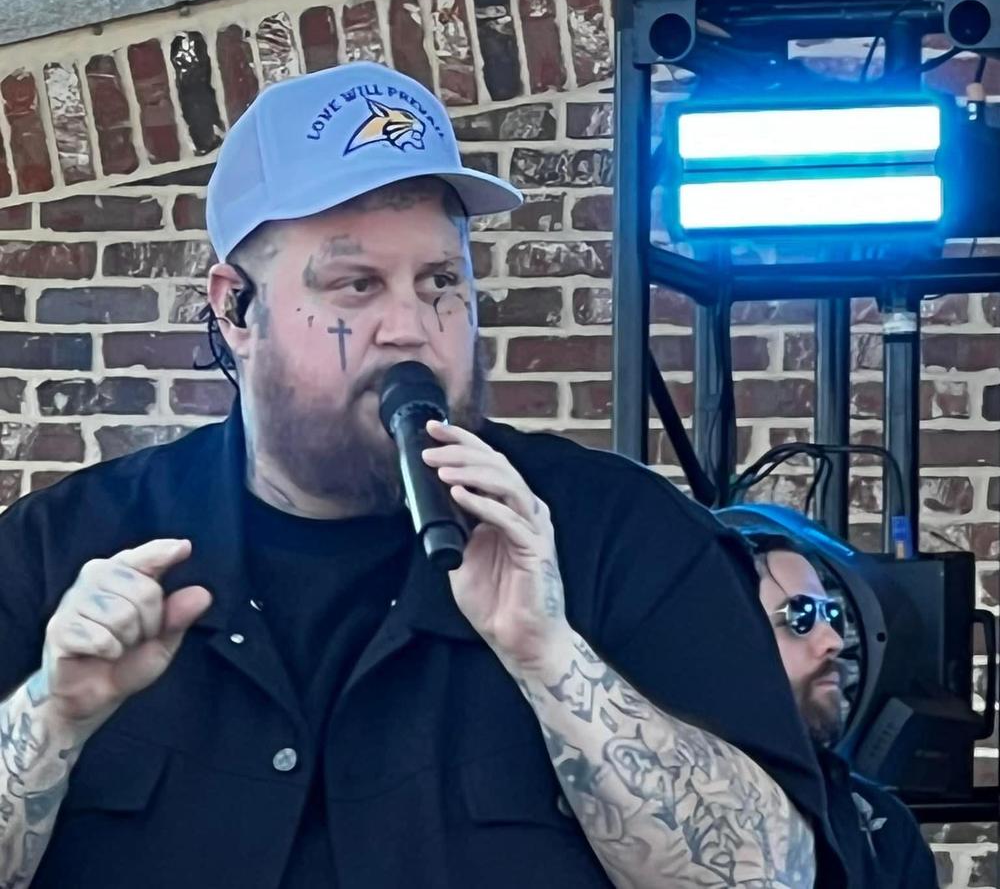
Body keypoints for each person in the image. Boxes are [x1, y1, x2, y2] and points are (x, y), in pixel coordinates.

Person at [0, 60, 846, 889]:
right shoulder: (64, 547)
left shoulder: (618, 531)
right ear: (236, 308)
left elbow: (769, 874)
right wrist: (52, 715)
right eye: (356, 285)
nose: (409, 326)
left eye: (440, 281)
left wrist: (553, 659)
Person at [731, 524, 938, 888]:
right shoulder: (655, 807)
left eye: (831, 615)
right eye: (801, 616)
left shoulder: (882, 829)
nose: (834, 641)